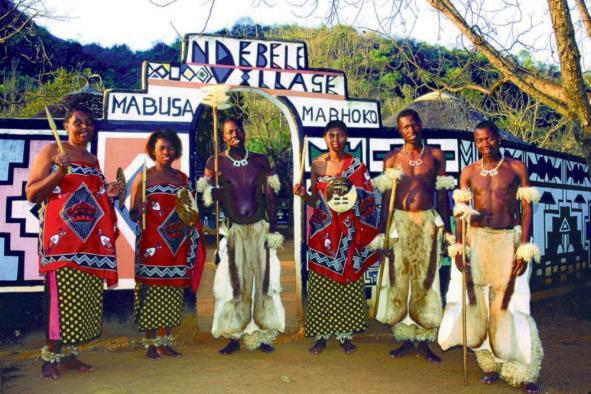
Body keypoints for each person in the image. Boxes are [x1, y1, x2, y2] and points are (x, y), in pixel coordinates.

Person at [438, 120, 543, 393]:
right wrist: (460, 247)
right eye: (479, 140)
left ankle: (523, 371)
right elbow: (460, 212)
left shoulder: (516, 168)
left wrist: (524, 246)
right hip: (479, 240)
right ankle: (491, 364)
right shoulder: (469, 172)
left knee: (513, 304)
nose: (485, 144)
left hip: (508, 240)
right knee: (481, 305)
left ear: (498, 138)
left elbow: (527, 210)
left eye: (489, 138)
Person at [25, 106, 123, 380]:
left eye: (88, 123)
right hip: (61, 242)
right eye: (77, 122)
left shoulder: (92, 159)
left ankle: (69, 356)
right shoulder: (50, 152)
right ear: (66, 125)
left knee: (82, 299)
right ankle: (50, 358)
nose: (84, 128)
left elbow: (94, 194)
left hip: (89, 242)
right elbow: (32, 193)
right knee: (59, 300)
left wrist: (109, 191)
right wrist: (58, 171)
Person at [198, 117, 284, 354]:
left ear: (244, 132)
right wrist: (210, 196)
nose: (234, 134)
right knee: (234, 285)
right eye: (228, 132)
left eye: (237, 130)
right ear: (223, 136)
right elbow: (204, 199)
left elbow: (270, 197)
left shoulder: (259, 161)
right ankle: (234, 335)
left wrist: (274, 228)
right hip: (233, 230)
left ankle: (262, 333)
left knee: (263, 282)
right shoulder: (215, 162)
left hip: (259, 229)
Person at [293, 120, 380, 354]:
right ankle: (321, 334)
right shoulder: (317, 165)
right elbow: (314, 200)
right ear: (324, 138)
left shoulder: (357, 166)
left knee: (348, 278)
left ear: (346, 138)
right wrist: (303, 194)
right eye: (331, 135)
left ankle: (345, 334)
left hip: (349, 231)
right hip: (322, 231)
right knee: (322, 280)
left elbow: (367, 198)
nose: (335, 140)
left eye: (340, 135)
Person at [374, 108, 453, 363]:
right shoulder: (392, 159)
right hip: (399, 222)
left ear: (420, 124)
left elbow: (442, 195)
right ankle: (405, 337)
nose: (411, 129)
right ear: (399, 130)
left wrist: (448, 229)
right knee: (400, 280)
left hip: (428, 223)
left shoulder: (435, 156)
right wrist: (381, 235)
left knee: (426, 280)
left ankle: (424, 339)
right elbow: (386, 198)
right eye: (405, 127)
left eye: (414, 124)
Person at [129, 130, 205, 360]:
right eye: (162, 148)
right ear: (153, 150)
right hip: (151, 244)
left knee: (172, 292)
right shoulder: (144, 177)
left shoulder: (182, 179)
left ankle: (166, 342)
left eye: (171, 148)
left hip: (176, 243)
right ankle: (151, 344)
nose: (166, 152)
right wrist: (137, 210)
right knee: (151, 291)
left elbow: (190, 211)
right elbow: (133, 212)